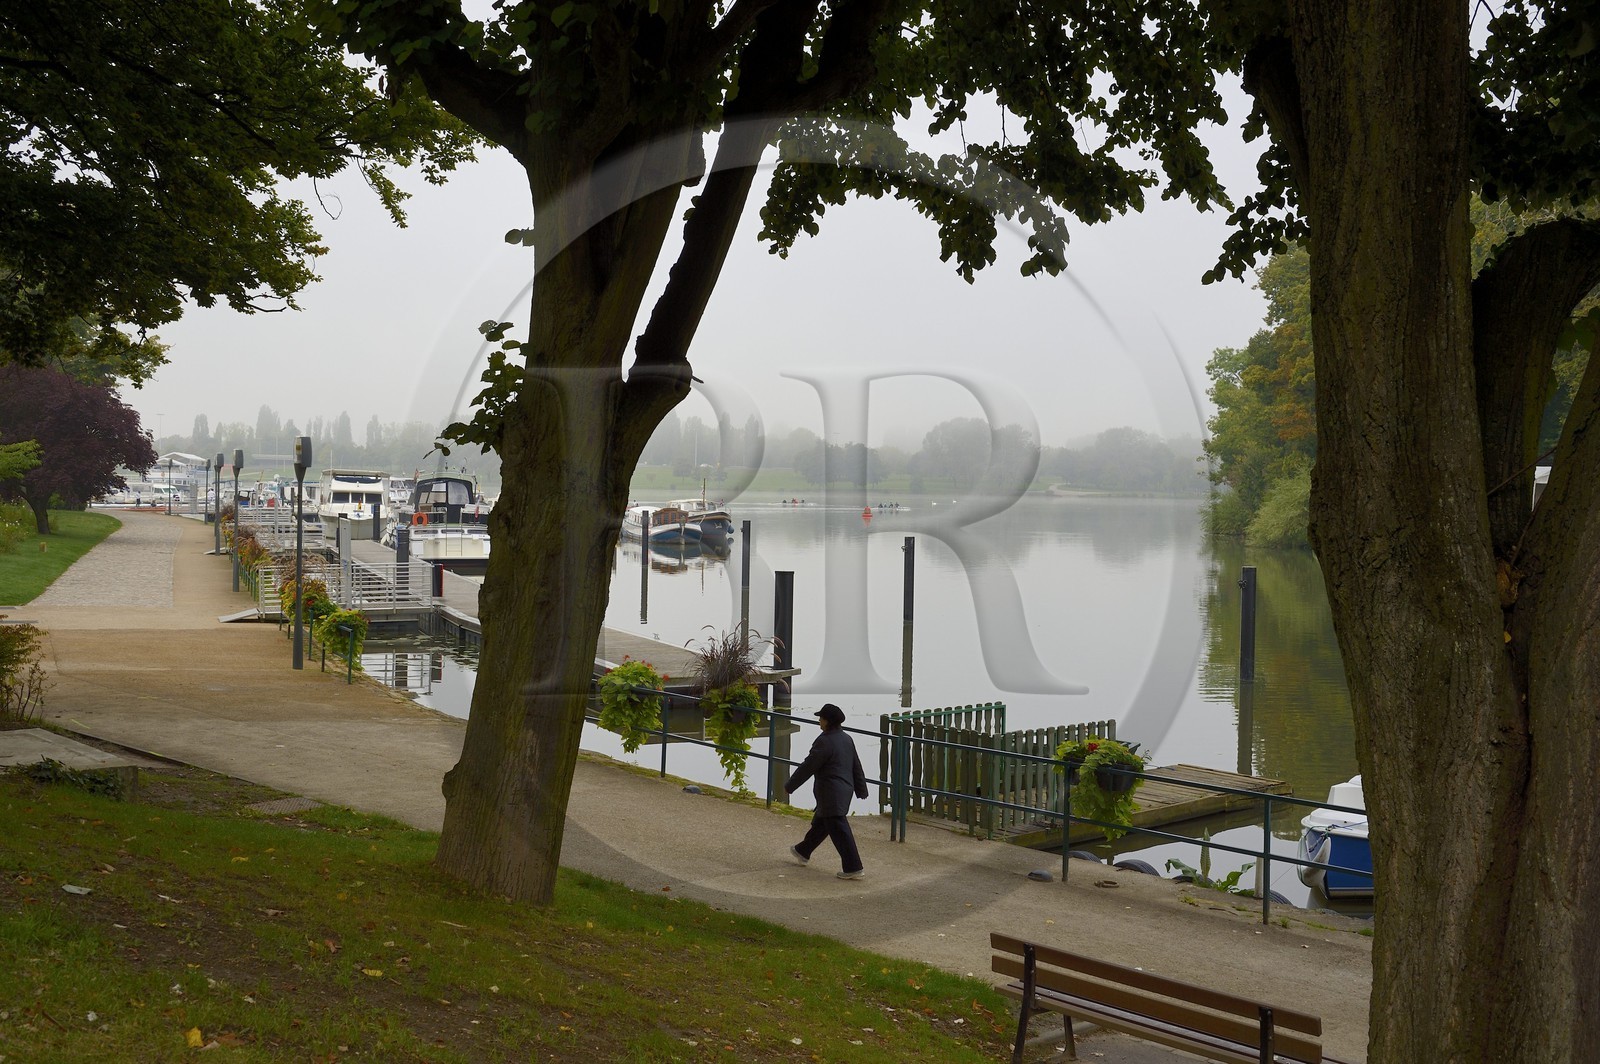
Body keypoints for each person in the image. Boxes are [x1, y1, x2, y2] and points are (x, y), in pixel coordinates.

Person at [785, 703, 870, 880]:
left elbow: (808, 766)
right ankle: (803, 851)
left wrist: (790, 786)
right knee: (823, 823)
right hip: (844, 790)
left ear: (827, 721)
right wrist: (861, 789)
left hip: (830, 793)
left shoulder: (824, 741)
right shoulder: (846, 738)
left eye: (821, 718)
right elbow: (856, 766)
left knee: (839, 830)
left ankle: (853, 867)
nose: (819, 721)